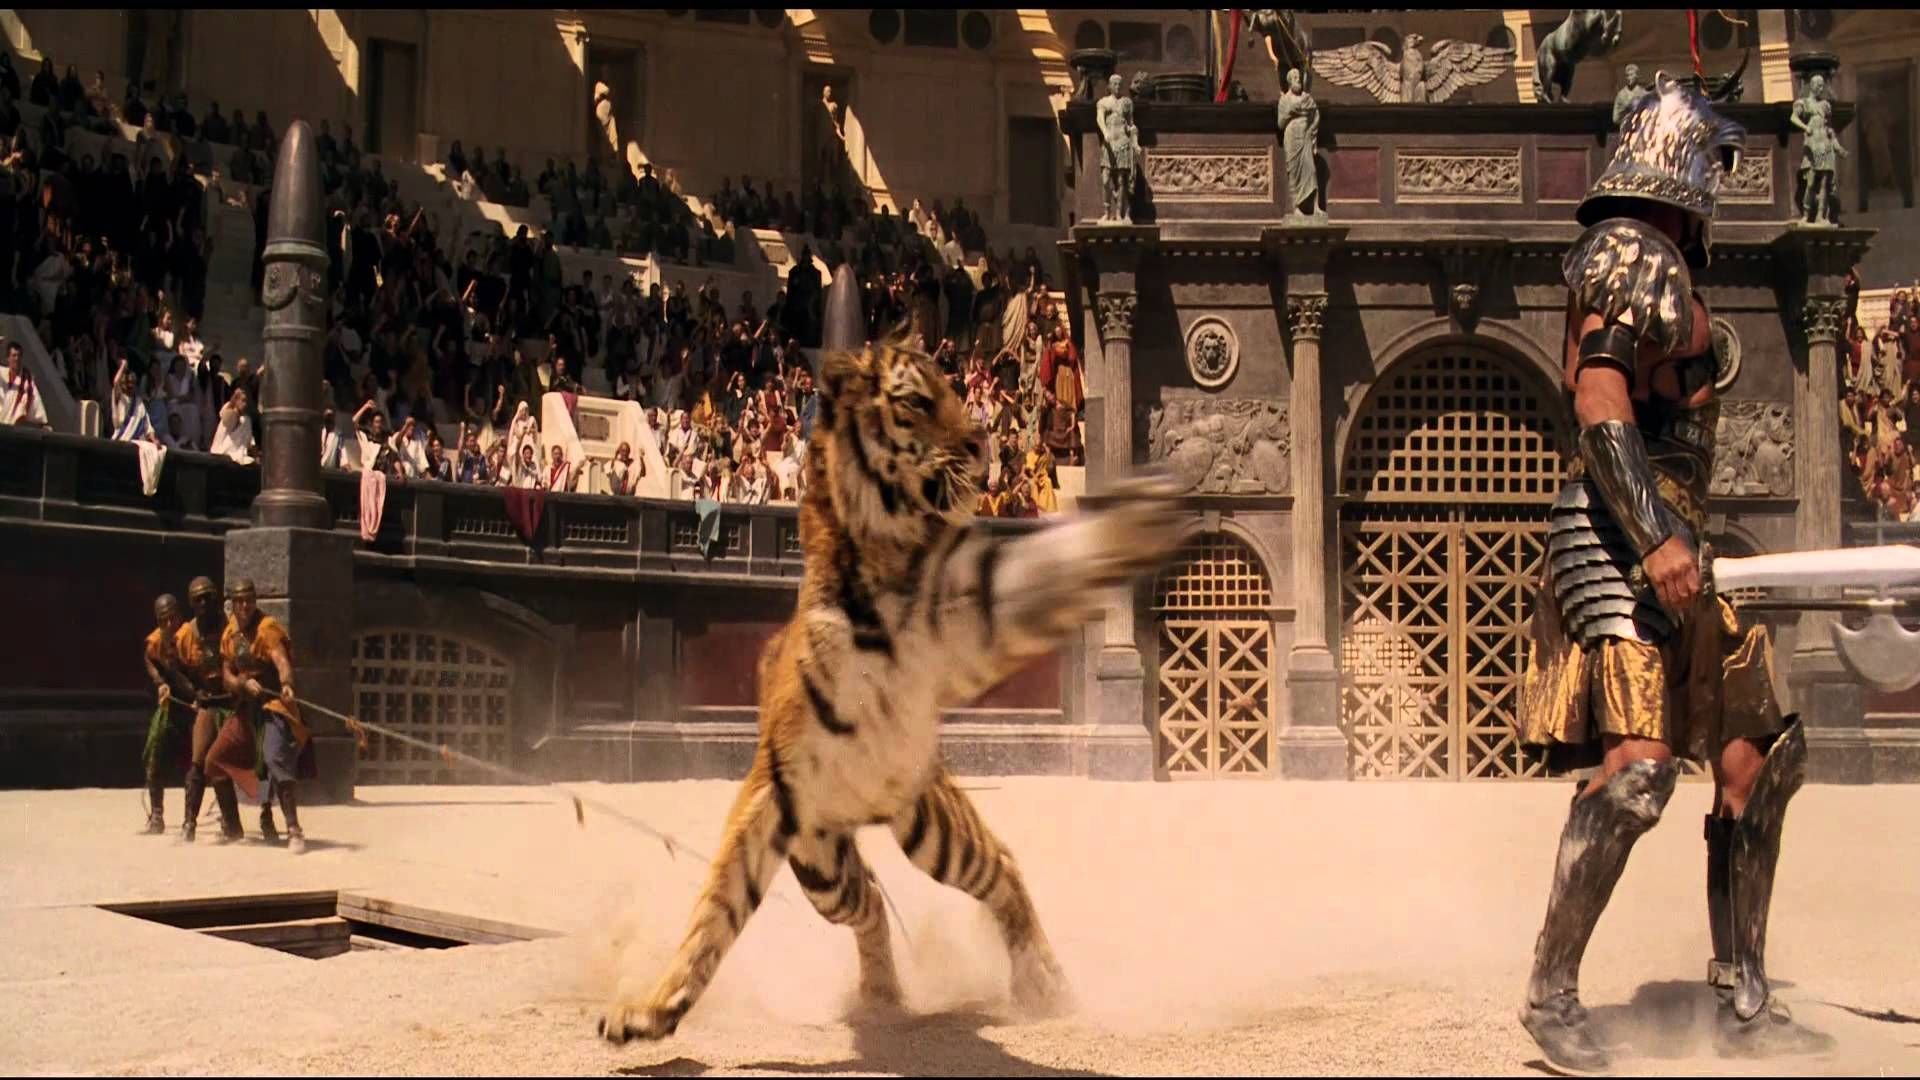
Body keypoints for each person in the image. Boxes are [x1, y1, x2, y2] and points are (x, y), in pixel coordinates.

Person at [1516, 73, 1832, 1071]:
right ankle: (1551, 993)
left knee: (1757, 760)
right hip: (1620, 539)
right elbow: (1600, 400)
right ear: (1682, 173)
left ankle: (1743, 998)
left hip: (1684, 544)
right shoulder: (1630, 252)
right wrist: (1653, 538)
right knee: (1641, 772)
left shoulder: (1658, 264)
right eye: (1712, 167)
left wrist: (1677, 541)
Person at [208, 578, 315, 853]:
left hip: (273, 705)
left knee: (274, 757)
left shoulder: (267, 628)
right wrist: (242, 683)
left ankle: (294, 829)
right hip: (246, 707)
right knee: (214, 760)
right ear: (233, 604)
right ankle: (233, 827)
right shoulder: (230, 633)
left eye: (249, 600)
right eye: (240, 601)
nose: (245, 606)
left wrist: (287, 684)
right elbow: (227, 674)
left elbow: (282, 662)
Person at [174, 576, 237, 843]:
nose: (204, 603)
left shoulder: (232, 628)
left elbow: (245, 661)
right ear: (191, 603)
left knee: (222, 762)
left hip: (233, 704)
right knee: (198, 761)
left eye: (208, 597)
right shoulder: (186, 634)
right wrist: (193, 691)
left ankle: (234, 824)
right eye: (198, 599)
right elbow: (175, 669)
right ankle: (189, 822)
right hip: (209, 703)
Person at [139, 594, 195, 835]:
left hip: (193, 707)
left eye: (173, 617)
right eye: (164, 620)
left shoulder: (190, 635)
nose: (170, 624)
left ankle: (190, 819)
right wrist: (160, 683)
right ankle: (156, 815)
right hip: (170, 708)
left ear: (180, 615)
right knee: (156, 755)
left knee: (195, 764)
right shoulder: (155, 641)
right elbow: (149, 660)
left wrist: (198, 696)